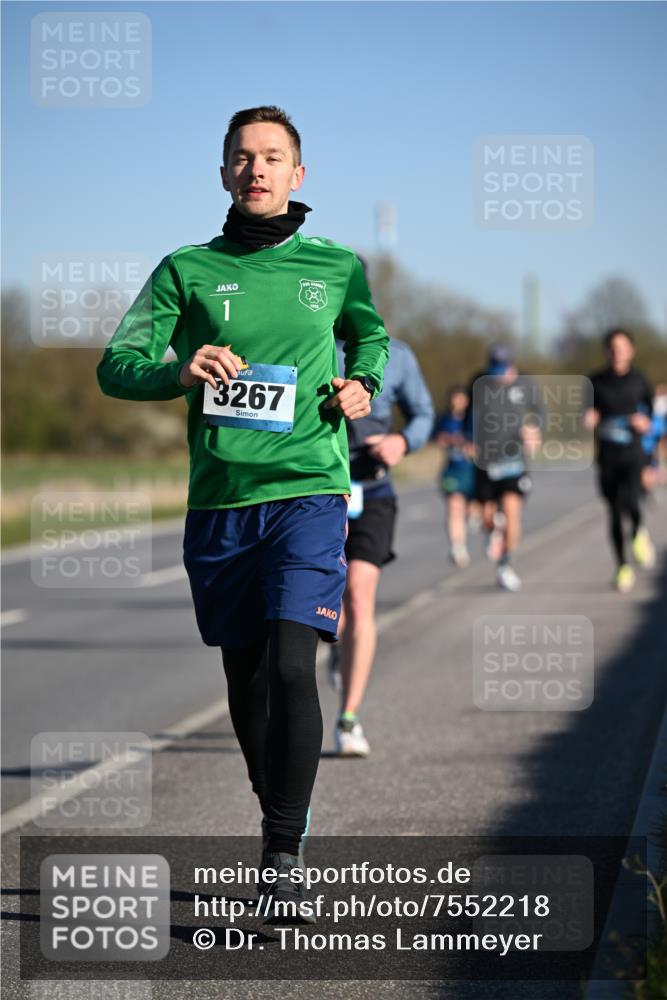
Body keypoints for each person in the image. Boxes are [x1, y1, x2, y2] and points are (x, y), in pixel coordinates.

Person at [97, 106, 389, 917]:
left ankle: (280, 856)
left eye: (273, 157)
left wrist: (363, 382)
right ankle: (280, 811)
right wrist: (178, 372)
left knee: (295, 665)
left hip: (308, 492)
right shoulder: (185, 268)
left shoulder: (336, 267)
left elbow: (371, 341)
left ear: (299, 174)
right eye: (241, 157)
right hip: (221, 504)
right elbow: (115, 367)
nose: (256, 169)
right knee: (249, 682)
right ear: (223, 172)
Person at [329, 328, 434, 756]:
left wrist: (402, 441)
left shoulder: (398, 355)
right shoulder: (307, 340)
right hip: (320, 493)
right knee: (327, 607)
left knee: (359, 594)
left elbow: (424, 414)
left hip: (372, 490)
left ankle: (348, 719)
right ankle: (338, 647)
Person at [466, 344, 542, 592]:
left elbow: (540, 413)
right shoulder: (479, 381)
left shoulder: (525, 384)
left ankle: (506, 565)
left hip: (514, 459)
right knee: (486, 515)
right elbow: (469, 415)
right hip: (486, 460)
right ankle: (492, 529)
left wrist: (533, 428)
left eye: (502, 369)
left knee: (512, 514)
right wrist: (468, 439)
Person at [584, 328, 654, 592]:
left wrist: (645, 422)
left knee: (633, 502)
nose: (618, 352)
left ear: (631, 350)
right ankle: (622, 566)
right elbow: (586, 412)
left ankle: (638, 532)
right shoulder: (596, 381)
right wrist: (589, 418)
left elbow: (652, 417)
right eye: (613, 347)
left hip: (633, 454)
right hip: (607, 456)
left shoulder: (640, 380)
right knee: (613, 512)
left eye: (623, 347)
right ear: (606, 351)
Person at [435, 385, 477, 568]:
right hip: (452, 470)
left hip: (473, 471)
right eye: (454, 399)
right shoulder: (444, 419)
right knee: (454, 507)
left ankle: (485, 528)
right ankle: (457, 547)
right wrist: (446, 439)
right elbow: (436, 437)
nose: (456, 403)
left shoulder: (474, 420)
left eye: (460, 399)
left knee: (473, 510)